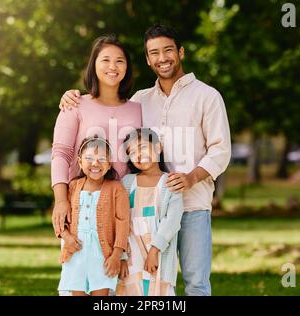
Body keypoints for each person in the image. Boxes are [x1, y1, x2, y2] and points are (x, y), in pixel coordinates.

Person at [59, 24, 231, 296]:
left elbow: (221, 150)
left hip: (192, 205)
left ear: (181, 52)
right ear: (148, 59)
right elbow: (117, 134)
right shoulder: (140, 101)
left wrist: (191, 177)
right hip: (145, 211)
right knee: (139, 283)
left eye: (168, 50)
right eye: (154, 53)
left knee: (196, 283)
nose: (162, 58)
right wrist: (73, 95)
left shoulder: (207, 96)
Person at [51, 34, 142, 242]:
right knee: (81, 267)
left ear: (127, 67)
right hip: (83, 201)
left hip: (127, 201)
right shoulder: (74, 105)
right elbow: (61, 154)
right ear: (94, 65)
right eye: (106, 60)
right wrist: (61, 200)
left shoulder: (138, 108)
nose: (113, 66)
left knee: (124, 270)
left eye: (120, 61)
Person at [57, 136, 130, 296]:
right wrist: (67, 237)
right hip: (76, 254)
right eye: (89, 158)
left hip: (102, 255)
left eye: (101, 159)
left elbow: (123, 223)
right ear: (80, 161)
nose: (95, 163)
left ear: (109, 164)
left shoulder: (116, 188)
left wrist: (117, 255)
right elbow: (60, 218)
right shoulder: (73, 186)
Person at [116, 128, 183, 296]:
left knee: (157, 292)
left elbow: (172, 221)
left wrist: (155, 250)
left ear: (158, 148)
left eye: (143, 147)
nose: (139, 155)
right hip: (132, 254)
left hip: (159, 251)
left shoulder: (170, 182)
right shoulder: (127, 182)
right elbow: (120, 220)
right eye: (132, 152)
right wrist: (122, 257)